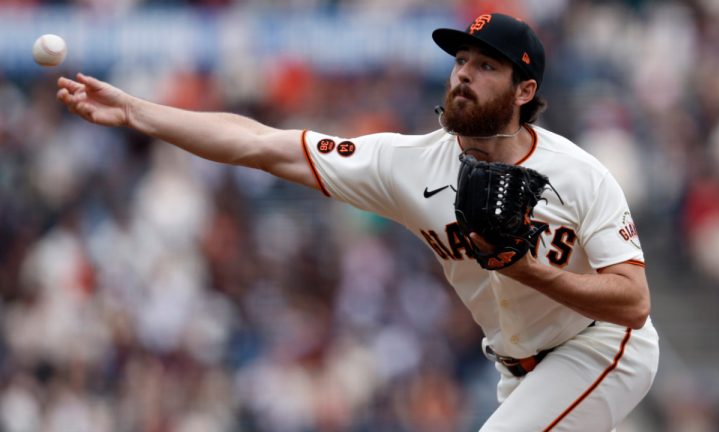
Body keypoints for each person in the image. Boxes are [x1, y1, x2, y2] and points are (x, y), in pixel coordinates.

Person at [57, 12, 659, 432]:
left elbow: (633, 303)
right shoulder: (408, 163)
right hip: (517, 367)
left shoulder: (580, 175)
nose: (463, 75)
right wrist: (139, 111)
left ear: (525, 89)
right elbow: (264, 145)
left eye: (486, 67)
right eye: (461, 61)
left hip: (602, 346)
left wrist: (526, 270)